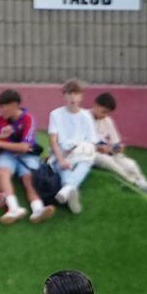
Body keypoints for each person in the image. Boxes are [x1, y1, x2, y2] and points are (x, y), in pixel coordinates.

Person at [0, 89, 54, 225]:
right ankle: (13, 208)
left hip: (27, 156)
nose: (1, 111)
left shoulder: (28, 118)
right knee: (2, 173)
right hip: (7, 155)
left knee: (28, 179)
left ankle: (38, 210)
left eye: (3, 107)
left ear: (14, 105)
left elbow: (24, 147)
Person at [89, 92, 147, 199]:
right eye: (104, 112)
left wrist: (117, 148)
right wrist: (97, 147)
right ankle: (134, 183)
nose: (105, 115)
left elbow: (116, 142)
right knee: (107, 161)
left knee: (131, 165)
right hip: (91, 154)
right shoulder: (83, 117)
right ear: (95, 105)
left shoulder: (107, 120)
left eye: (108, 113)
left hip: (107, 151)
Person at [48, 80, 99, 215]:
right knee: (63, 165)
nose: (73, 98)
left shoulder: (86, 116)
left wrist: (79, 148)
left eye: (76, 94)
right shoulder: (55, 114)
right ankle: (70, 190)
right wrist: (61, 159)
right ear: (64, 96)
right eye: (69, 94)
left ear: (81, 97)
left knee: (85, 163)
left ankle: (67, 188)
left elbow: (92, 141)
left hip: (81, 152)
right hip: (62, 152)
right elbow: (53, 141)